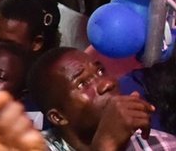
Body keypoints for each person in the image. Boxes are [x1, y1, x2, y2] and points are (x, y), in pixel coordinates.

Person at [28, 47, 176, 150]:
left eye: (101, 71)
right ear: (58, 117)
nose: (107, 83)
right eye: (83, 84)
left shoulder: (158, 144)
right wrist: (106, 144)